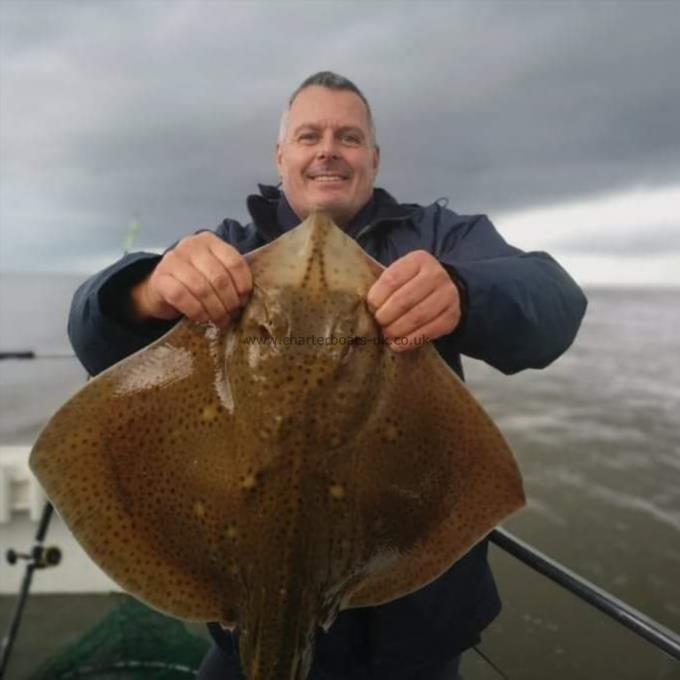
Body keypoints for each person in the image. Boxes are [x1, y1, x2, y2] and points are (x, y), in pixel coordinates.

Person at [68, 71, 587, 679]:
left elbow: (553, 301)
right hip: (241, 618)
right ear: (282, 154)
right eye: (309, 135)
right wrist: (144, 289)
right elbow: (92, 333)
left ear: (373, 156)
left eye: (348, 136)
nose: (328, 151)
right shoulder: (228, 250)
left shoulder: (441, 238)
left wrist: (465, 291)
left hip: (414, 632)